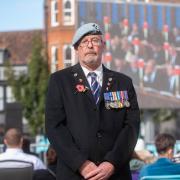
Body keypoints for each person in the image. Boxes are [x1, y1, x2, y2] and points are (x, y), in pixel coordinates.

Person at [45, 23, 140, 180]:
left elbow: (131, 127)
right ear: (77, 49)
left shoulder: (123, 82)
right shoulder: (60, 81)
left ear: (103, 46)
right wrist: (81, 164)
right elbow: (54, 127)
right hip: (74, 173)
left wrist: (112, 162)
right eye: (84, 42)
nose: (90, 45)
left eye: (95, 40)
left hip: (115, 174)